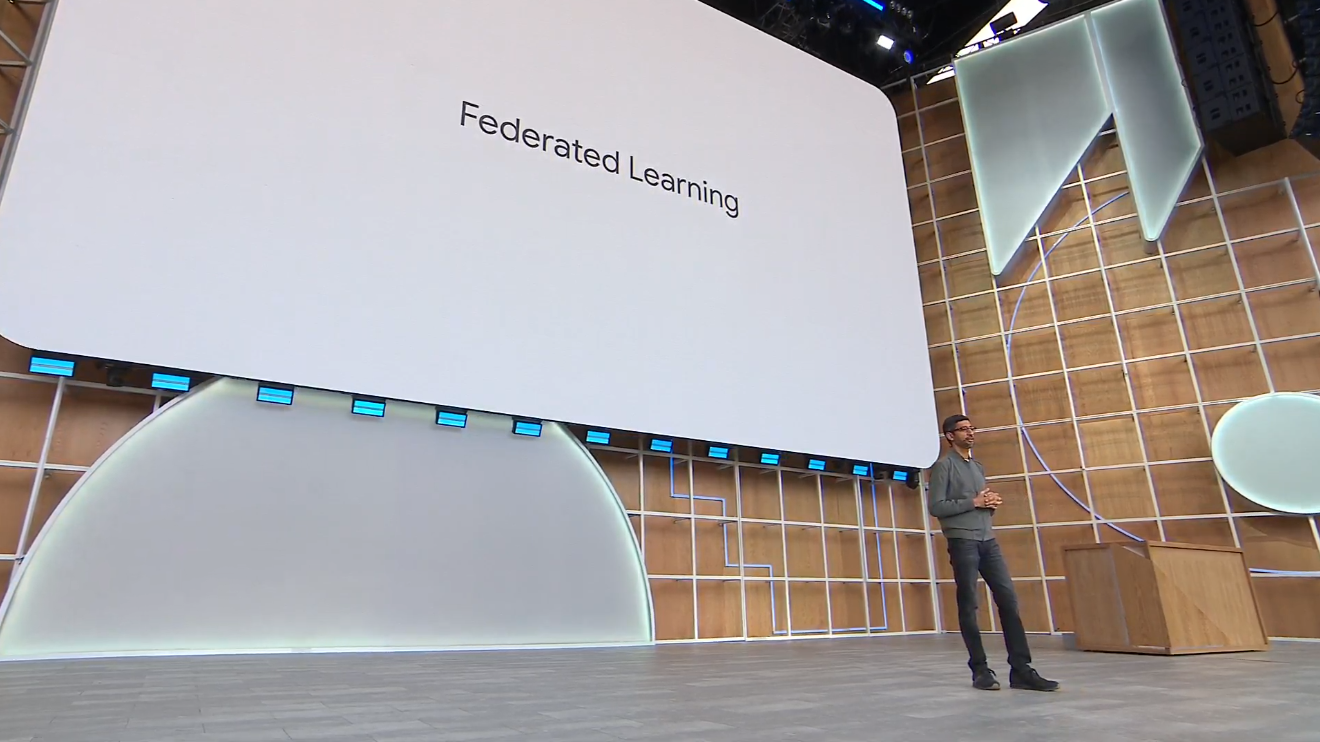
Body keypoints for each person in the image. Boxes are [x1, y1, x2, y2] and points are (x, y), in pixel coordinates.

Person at [927, 414, 1059, 692]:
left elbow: (976, 503)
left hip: (988, 540)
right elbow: (936, 507)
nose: (970, 433)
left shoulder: (977, 466)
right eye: (963, 429)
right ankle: (980, 670)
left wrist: (989, 503)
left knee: (1008, 600)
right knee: (969, 605)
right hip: (963, 541)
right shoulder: (943, 466)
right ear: (950, 436)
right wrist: (974, 502)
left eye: (971, 428)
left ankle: (1021, 670)